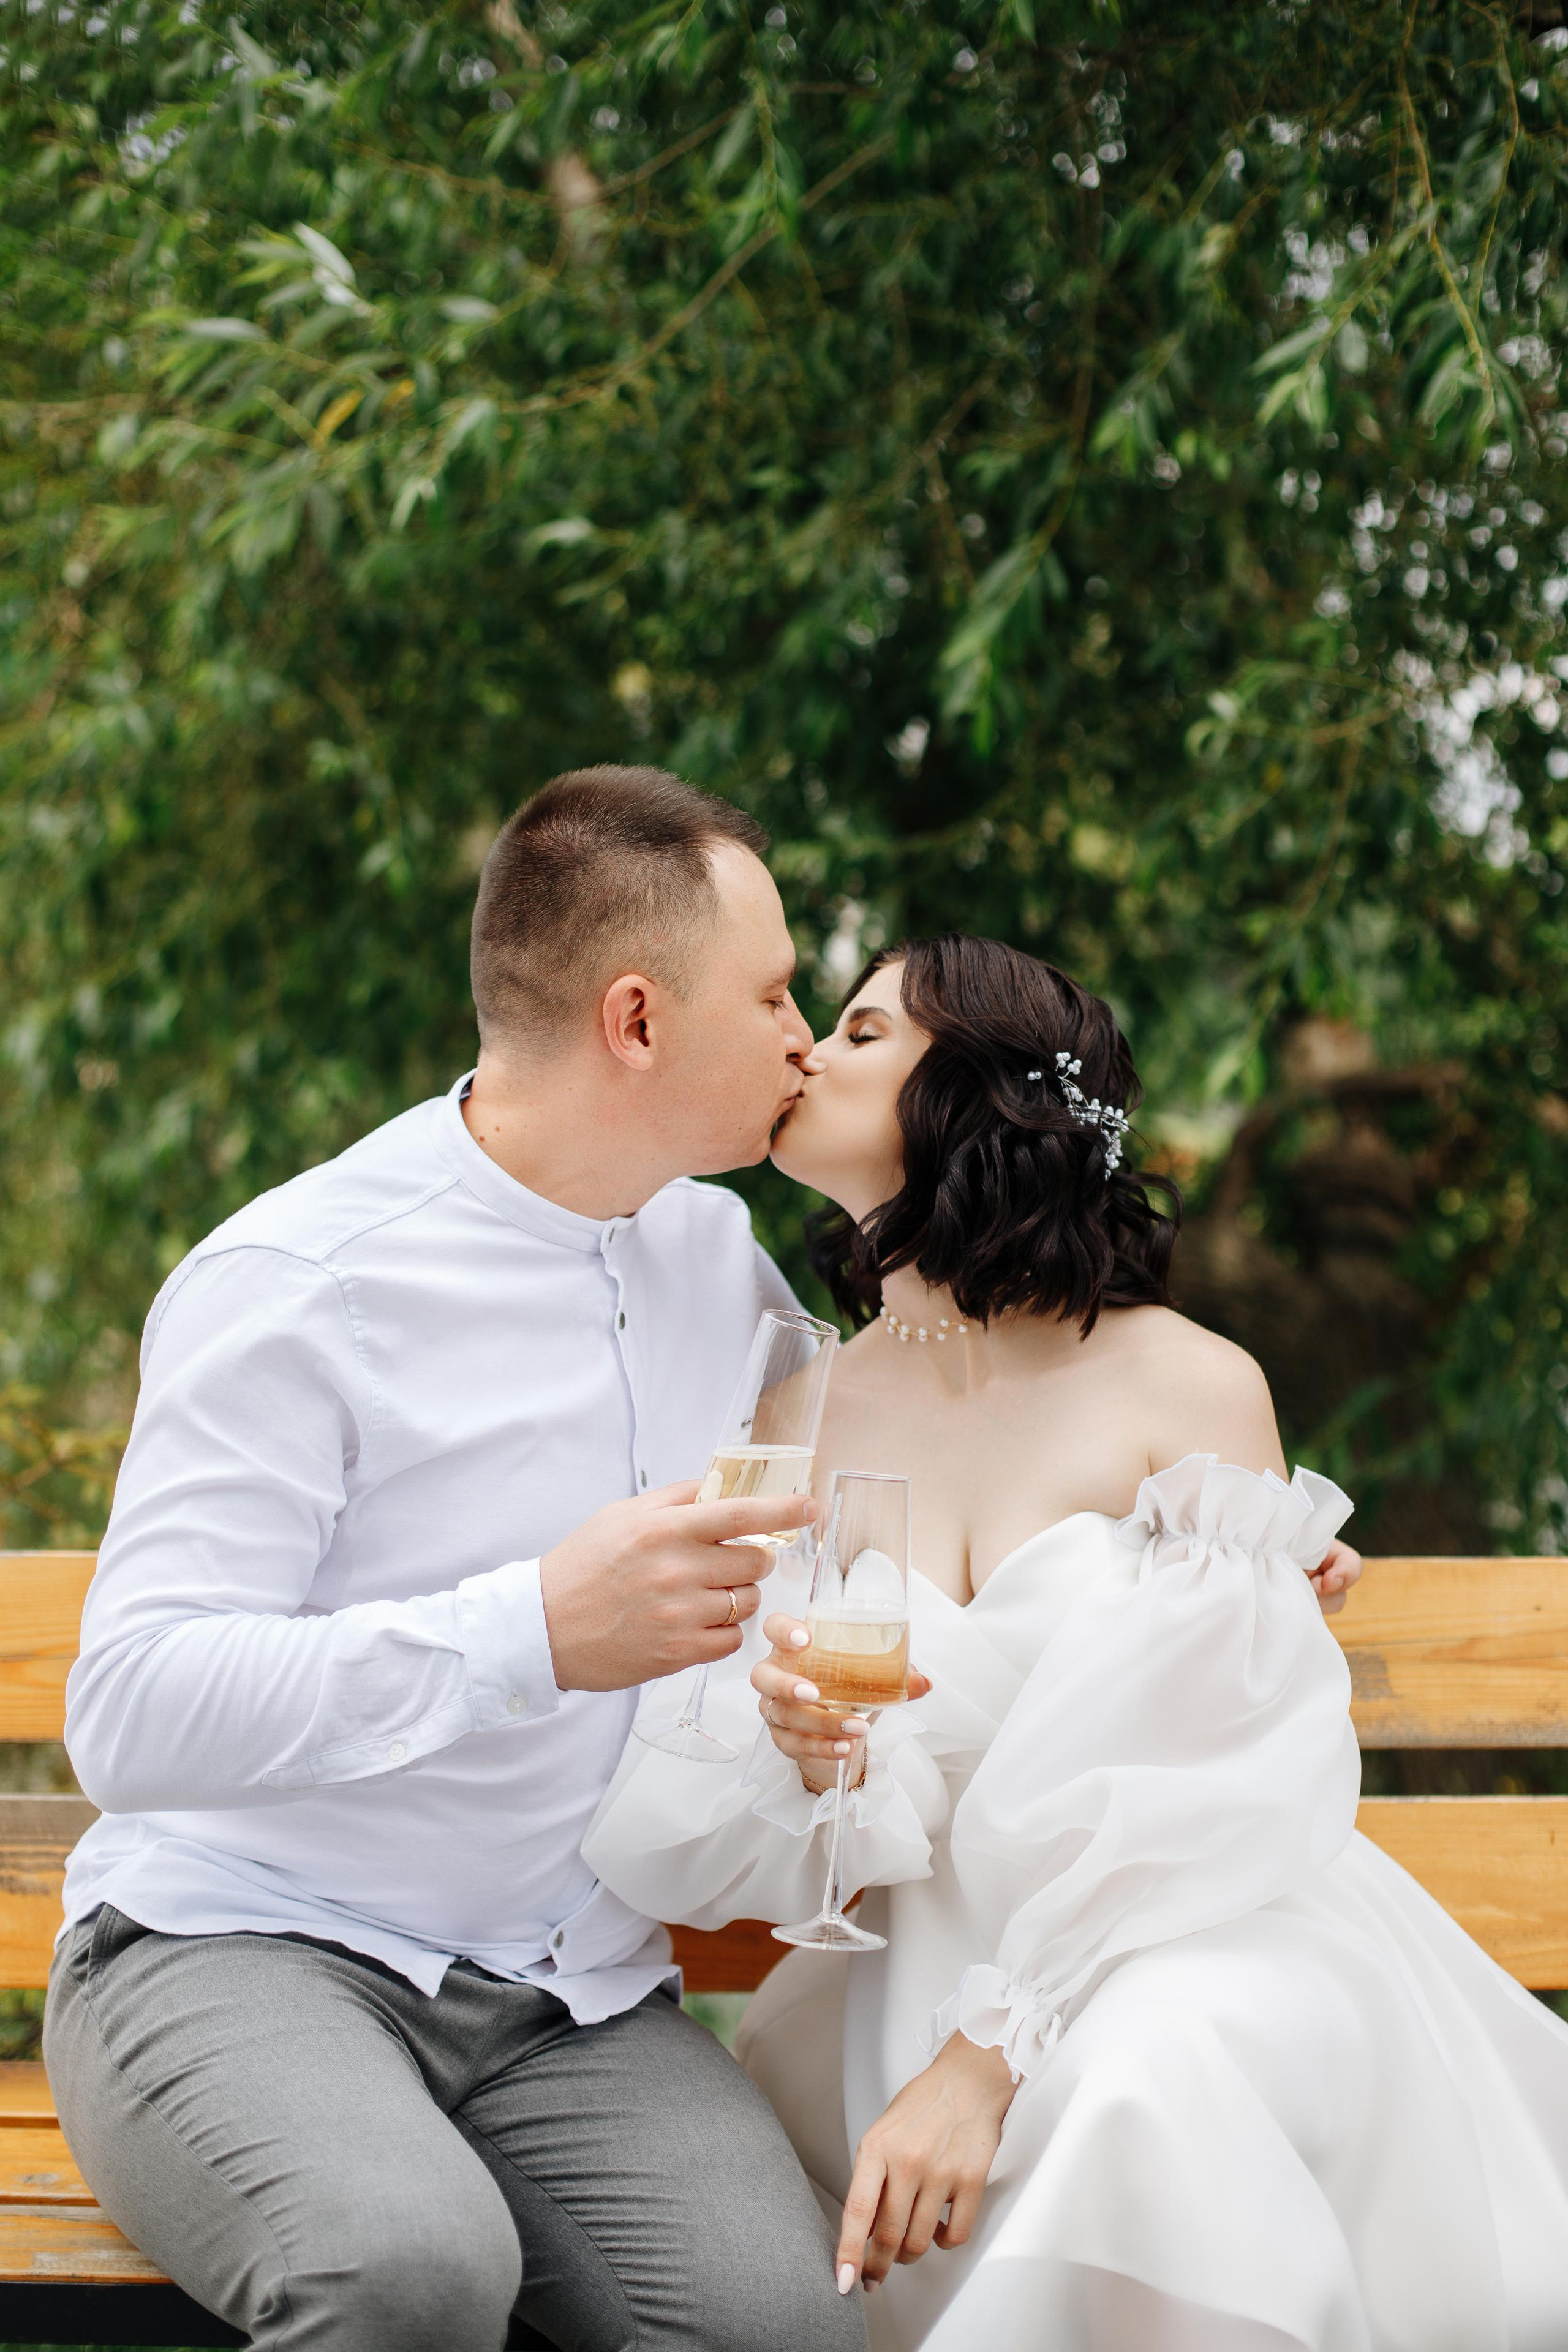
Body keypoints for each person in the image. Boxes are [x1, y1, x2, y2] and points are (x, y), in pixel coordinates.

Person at [584, 933, 1568, 2352]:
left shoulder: (1186, 1383)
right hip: (902, 1974)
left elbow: (1222, 1775)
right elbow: (794, 1790)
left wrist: (987, 2057)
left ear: (969, 1094)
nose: (808, 1047)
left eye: (861, 1032)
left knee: (1148, 2086)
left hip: (1184, 1933)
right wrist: (803, 1756)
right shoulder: (797, 1417)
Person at [43, 767, 870, 2352]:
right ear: (637, 1019)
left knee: (791, 2327)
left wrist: (1208, 1551)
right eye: (772, 994)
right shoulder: (301, 1282)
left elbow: (890, 1448)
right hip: (244, 1946)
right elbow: (131, 1713)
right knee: (410, 2272)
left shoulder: (719, 1259)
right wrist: (535, 1630)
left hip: (571, 1991)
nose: (802, 1037)